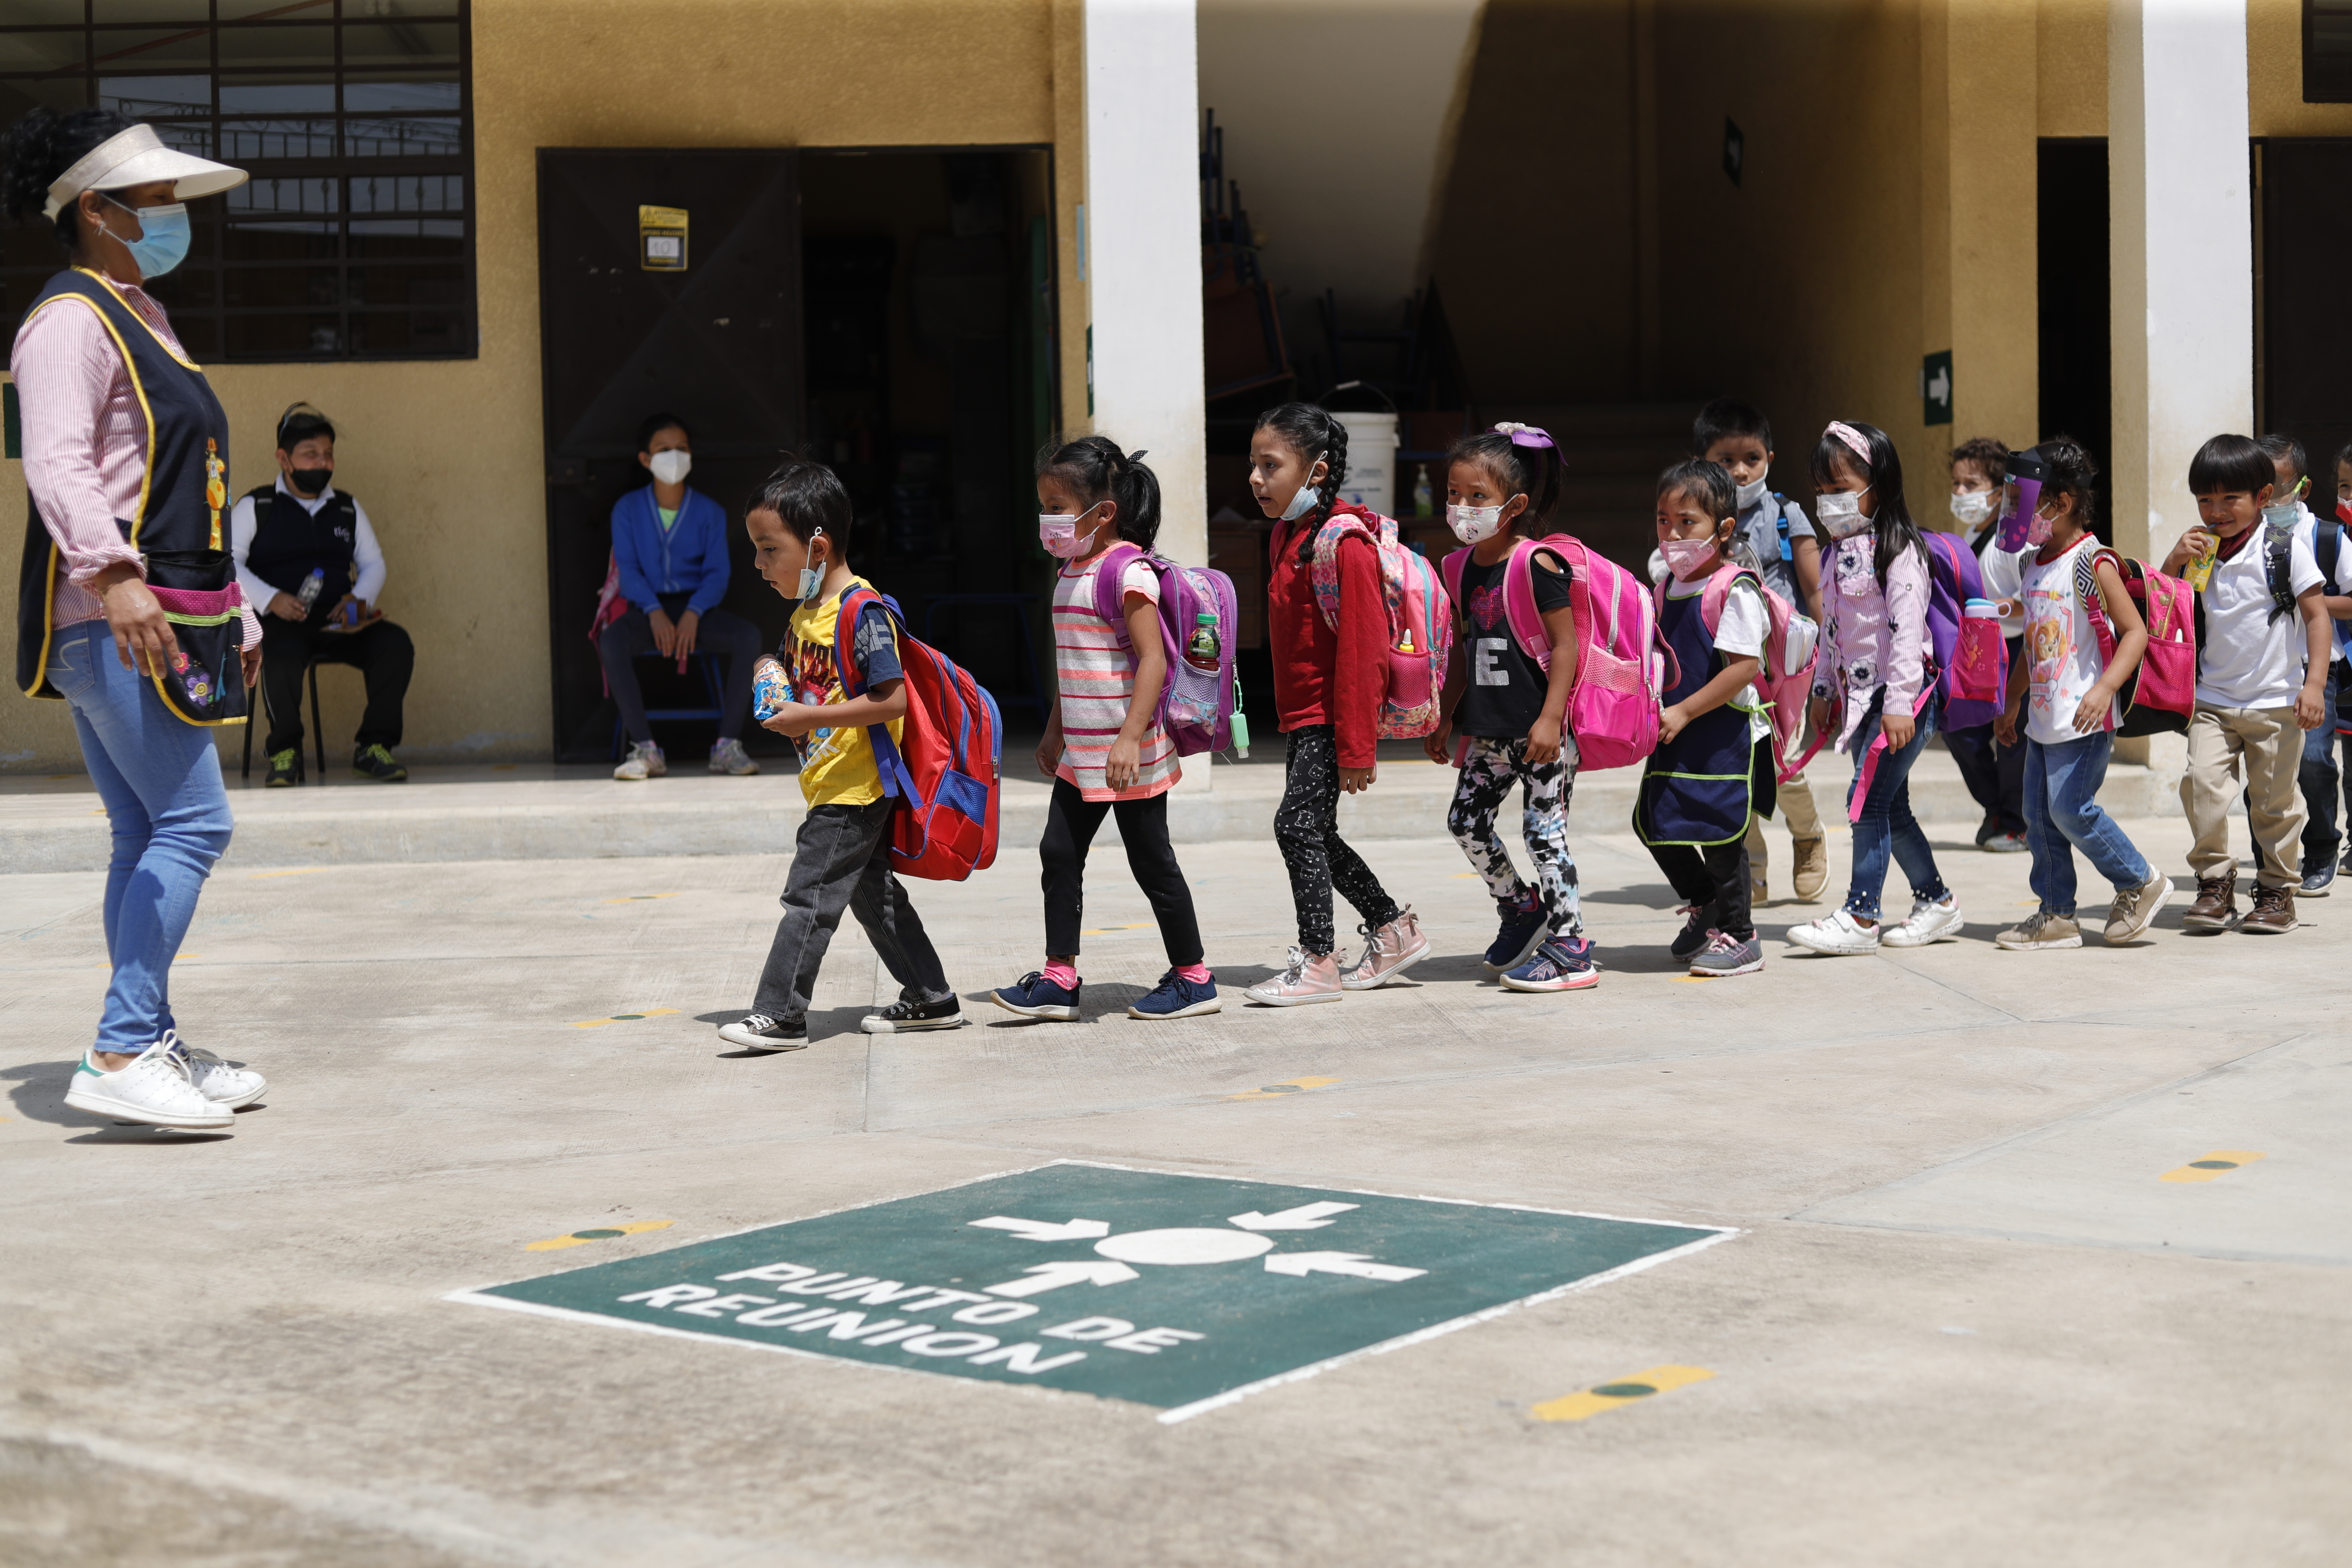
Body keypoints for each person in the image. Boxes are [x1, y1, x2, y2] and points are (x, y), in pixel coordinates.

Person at [8, 106, 268, 1129]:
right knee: (198, 823)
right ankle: (121, 1044)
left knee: (144, 828)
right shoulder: (69, 318)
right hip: (112, 616)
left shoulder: (140, 313)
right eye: (156, 199)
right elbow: (60, 462)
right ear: (99, 211)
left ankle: (145, 1034)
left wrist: (231, 605)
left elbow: (182, 481)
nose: (173, 214)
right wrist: (114, 577)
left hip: (159, 612)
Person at [715, 461, 960, 1051]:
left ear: (817, 546)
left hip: (855, 788)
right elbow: (803, 682)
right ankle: (932, 996)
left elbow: (892, 699)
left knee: (808, 899)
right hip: (829, 780)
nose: (758, 564)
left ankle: (782, 1014)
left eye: (769, 549)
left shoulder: (862, 612)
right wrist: (768, 671)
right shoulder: (804, 614)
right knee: (873, 898)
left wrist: (810, 718)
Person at [991, 438, 1216, 1023]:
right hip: (1083, 753)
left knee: (1153, 864)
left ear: (1104, 511)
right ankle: (1059, 978)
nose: (1048, 519)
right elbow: (1078, 667)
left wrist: (1129, 738)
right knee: (1058, 852)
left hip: (1128, 753)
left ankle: (1194, 978)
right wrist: (1052, 732)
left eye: (1058, 506)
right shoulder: (1070, 571)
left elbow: (1153, 661)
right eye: (1044, 504)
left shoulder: (1127, 571)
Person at [1241, 401, 1427, 1004]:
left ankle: (1319, 961)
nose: (1256, 478)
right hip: (1303, 715)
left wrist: (1356, 745)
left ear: (1316, 473)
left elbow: (1362, 655)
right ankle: (1392, 928)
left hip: (1330, 714)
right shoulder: (1284, 536)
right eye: (1254, 464)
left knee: (1295, 825)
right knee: (1314, 829)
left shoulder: (1344, 543)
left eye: (1271, 465)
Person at [1423, 423, 1599, 992]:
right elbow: (1461, 650)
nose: (1462, 507)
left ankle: (1572, 948)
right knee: (1465, 822)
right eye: (1454, 494)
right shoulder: (1456, 569)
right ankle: (1523, 909)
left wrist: (1551, 719)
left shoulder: (1537, 564)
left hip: (1541, 734)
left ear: (1514, 505)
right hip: (1490, 733)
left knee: (1544, 837)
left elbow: (1566, 646)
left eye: (1478, 497)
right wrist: (1447, 715)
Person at [1788, 421, 1962, 955]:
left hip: (1902, 700)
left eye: (1840, 491)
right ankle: (1937, 904)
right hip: (1862, 703)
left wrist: (1901, 703)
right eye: (1822, 493)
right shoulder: (1832, 554)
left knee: (1864, 802)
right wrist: (1822, 691)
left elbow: (1909, 632)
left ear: (1877, 487)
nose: (1829, 503)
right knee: (1891, 807)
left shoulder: (1900, 550)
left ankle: (1862, 917)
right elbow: (1833, 630)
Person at [1989, 439, 2171, 949]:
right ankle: (2056, 916)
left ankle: (2140, 881)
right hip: (2044, 718)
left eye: (2024, 502)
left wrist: (2106, 688)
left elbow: (2134, 632)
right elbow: (2034, 644)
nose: (2016, 514)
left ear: (2062, 502)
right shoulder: (2032, 565)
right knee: (2039, 817)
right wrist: (2013, 700)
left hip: (2085, 718)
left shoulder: (2094, 561)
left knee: (2071, 810)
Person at [2161, 434, 2331, 934]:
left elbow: (2317, 617)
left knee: (2275, 804)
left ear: (2261, 497)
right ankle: (2215, 882)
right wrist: (2172, 563)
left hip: (2277, 703)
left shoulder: (2286, 548)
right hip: (2212, 700)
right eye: (2205, 500)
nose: (2216, 511)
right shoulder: (2201, 552)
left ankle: (2278, 891)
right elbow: (2166, 609)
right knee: (2203, 788)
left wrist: (2315, 685)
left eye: (2229, 499)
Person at [228, 402, 416, 784]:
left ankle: (373, 748)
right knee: (276, 652)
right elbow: (228, 564)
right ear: (284, 458)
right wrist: (271, 599)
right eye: (311, 454)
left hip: (339, 623)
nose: (323, 463)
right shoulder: (257, 507)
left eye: (328, 454)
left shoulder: (346, 508)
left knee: (395, 644)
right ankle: (284, 753)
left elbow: (373, 563)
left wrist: (359, 601)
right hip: (282, 624)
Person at [1638, 459, 1773, 977]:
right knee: (1655, 823)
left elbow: (1743, 669)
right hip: (1672, 732)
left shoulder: (1732, 590)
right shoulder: (1663, 588)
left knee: (1719, 837)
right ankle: (1706, 905)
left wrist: (1687, 710)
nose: (1672, 533)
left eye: (1686, 521)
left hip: (1721, 737)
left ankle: (1742, 937)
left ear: (1724, 528)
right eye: (1663, 520)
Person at [1691, 398, 1828, 903]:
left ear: (1770, 455)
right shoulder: (1696, 517)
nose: (1740, 470)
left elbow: (1814, 593)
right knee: (1737, 767)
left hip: (1782, 667)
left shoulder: (1787, 515)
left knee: (1783, 764)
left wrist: (1826, 659)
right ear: (1704, 461)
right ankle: (1753, 865)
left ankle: (1809, 836)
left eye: (1751, 457)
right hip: (1726, 665)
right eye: (1725, 460)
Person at [598, 413, 765, 781]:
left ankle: (727, 746)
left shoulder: (709, 512)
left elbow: (718, 573)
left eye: (682, 449)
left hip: (697, 609)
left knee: (748, 637)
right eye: (664, 449)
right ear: (645, 459)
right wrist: (655, 611)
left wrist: (694, 612)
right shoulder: (628, 509)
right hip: (647, 609)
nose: (674, 456)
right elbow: (629, 571)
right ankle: (644, 748)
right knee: (612, 641)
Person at [2251, 433, 2352, 895]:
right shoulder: (2241, 540)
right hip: (2261, 669)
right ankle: (2271, 859)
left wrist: (2310, 603)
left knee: (2313, 762)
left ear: (2304, 489)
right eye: (2256, 486)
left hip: (2318, 669)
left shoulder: (2327, 537)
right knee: (2265, 769)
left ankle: (2323, 847)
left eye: (2277, 485)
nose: (2267, 498)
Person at [1945, 437, 2031, 852]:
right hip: (1979, 652)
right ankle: (1996, 810)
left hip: (2016, 653)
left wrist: (1995, 609)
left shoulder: (2015, 538)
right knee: (1963, 734)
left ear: (2000, 491)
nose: (1961, 493)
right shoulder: (1972, 530)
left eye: (1971, 484)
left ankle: (2015, 823)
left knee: (2013, 740)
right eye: (1956, 484)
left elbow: (2033, 603)